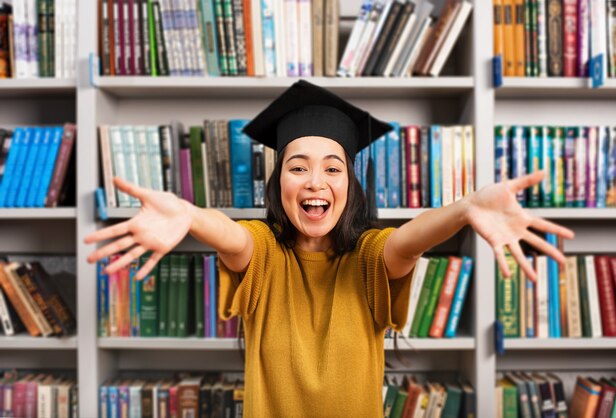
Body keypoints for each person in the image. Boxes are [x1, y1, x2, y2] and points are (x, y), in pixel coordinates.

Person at [85, 80, 574, 417]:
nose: (314, 181)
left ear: (349, 183)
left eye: (332, 168)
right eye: (297, 167)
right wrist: (191, 216)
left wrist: (465, 208)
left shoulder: (367, 259)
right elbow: (233, 237)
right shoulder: (265, 255)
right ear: (278, 183)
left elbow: (406, 242)